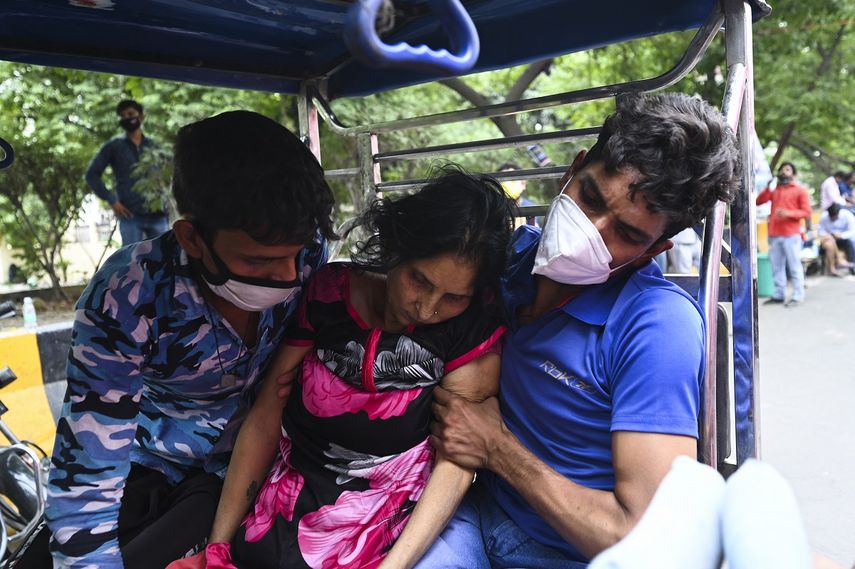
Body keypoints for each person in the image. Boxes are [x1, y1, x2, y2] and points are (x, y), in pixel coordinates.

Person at [415, 92, 740, 568]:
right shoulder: (504, 261)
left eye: (626, 234)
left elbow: (641, 539)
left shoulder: (656, 327)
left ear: (653, 250)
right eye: (589, 197)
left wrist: (497, 449)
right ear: (574, 168)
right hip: (471, 509)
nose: (590, 229)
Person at [27, 111, 335, 569]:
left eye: (296, 256)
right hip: (150, 459)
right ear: (192, 238)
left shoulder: (307, 255)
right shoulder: (130, 293)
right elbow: (88, 464)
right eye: (258, 261)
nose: (289, 277)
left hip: (254, 464)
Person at [168, 168, 514, 569]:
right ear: (398, 248)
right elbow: (266, 415)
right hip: (287, 503)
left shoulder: (471, 329)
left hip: (383, 525)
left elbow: (455, 462)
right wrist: (218, 547)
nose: (427, 307)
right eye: (419, 280)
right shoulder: (331, 292)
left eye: (454, 296)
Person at [85, 99, 169, 245]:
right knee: (131, 260)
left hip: (158, 214)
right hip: (130, 215)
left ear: (141, 116)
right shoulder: (114, 146)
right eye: (123, 116)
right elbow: (91, 174)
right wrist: (112, 199)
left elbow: (171, 173)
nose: (127, 118)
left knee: (165, 256)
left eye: (131, 113)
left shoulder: (155, 146)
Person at [756, 162, 812, 307]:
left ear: (793, 174)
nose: (783, 172)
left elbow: (807, 212)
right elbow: (758, 201)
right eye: (782, 169)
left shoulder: (800, 190)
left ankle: (798, 295)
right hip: (774, 235)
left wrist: (789, 214)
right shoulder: (775, 190)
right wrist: (769, 187)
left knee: (794, 266)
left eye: (787, 170)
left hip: (791, 235)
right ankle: (779, 294)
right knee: (777, 267)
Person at [818, 203, 855, 276]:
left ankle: (837, 264)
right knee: (829, 243)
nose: (833, 219)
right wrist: (827, 235)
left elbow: (853, 230)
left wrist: (842, 235)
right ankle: (837, 263)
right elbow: (821, 231)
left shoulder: (847, 215)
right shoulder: (824, 217)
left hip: (844, 238)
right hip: (828, 239)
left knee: (851, 242)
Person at [499, 161, 539, 228]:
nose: (508, 184)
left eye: (512, 180)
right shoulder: (494, 209)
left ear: (523, 184)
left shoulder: (530, 207)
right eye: (504, 181)